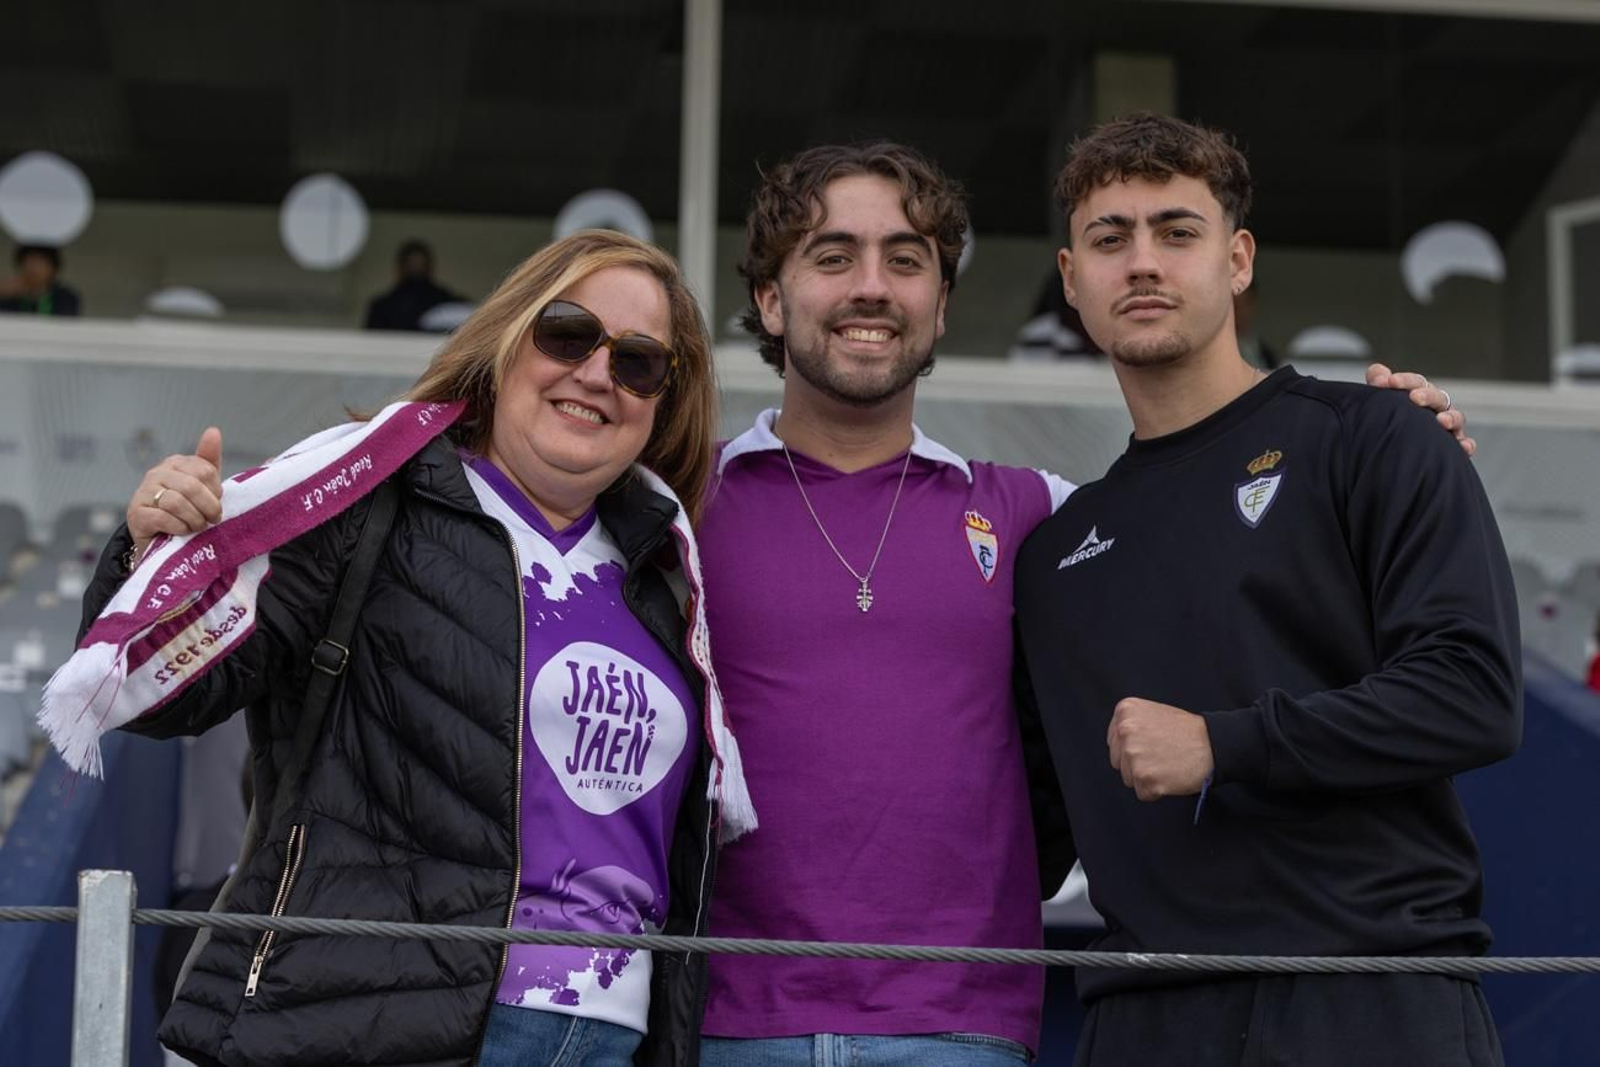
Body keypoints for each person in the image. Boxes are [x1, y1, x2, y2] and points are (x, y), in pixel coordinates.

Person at [694, 140, 1472, 1066]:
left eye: (906, 261)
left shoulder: (1041, 517)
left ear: (941, 303)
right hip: (725, 1018)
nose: (872, 287)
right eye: (833, 257)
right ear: (773, 301)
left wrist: (1401, 448)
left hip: (970, 1029)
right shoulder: (670, 506)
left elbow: (1232, 549)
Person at [46, 230, 755, 1067]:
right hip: (371, 1023)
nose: (598, 372)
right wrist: (152, 549)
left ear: (664, 399)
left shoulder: (668, 576)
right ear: (507, 339)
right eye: (568, 333)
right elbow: (173, 697)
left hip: (602, 1035)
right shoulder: (367, 502)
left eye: (640, 362)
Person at [1013, 113, 1520, 1066]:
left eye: (1178, 231)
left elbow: (1475, 695)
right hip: (1145, 1021)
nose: (1143, 262)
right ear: (1073, 280)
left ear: (1238, 260)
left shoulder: (1374, 437)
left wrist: (1223, 743)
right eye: (1110, 239)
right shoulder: (1056, 555)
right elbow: (1026, 835)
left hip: (1371, 1001)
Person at [364, 238, 463, 330]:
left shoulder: (447, 303)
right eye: (411, 264)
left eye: (420, 265)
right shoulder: (381, 307)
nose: (415, 268)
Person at [0, 244, 81, 316]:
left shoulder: (66, 298)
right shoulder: (8, 295)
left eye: (40, 262)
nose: (34, 269)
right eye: (30, 261)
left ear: (53, 269)